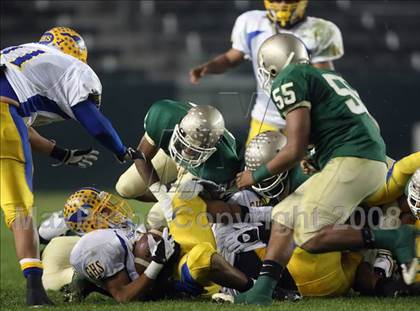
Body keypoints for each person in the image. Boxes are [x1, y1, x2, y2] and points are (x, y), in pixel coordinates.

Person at [234, 33, 419, 305]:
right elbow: (365, 126)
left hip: (354, 160)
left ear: (274, 65)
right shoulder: (325, 75)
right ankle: (262, 290)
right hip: (366, 158)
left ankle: (394, 238)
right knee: (285, 214)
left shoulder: (289, 78)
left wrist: (255, 175)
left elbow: (294, 148)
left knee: (307, 234)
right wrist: (320, 156)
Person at [0, 27, 138, 306]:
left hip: (6, 111)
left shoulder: (20, 55)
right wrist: (121, 150)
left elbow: (21, 127)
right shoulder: (71, 66)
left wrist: (61, 153)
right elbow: (93, 120)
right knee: (20, 211)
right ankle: (34, 291)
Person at [189, 0, 344, 144]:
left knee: (303, 171)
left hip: (305, 118)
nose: (282, 4)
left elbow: (324, 81)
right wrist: (207, 67)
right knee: (255, 169)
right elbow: (231, 58)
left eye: (288, 0)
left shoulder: (319, 30)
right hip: (266, 117)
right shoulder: (250, 22)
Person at [115, 100, 242, 228]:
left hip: (201, 168)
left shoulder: (222, 164)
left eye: (195, 150)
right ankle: (170, 197)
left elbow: (213, 205)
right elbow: (141, 155)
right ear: (179, 129)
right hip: (171, 154)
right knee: (125, 187)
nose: (188, 152)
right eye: (185, 145)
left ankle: (177, 233)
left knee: (157, 217)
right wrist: (161, 195)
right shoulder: (164, 116)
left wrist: (184, 202)